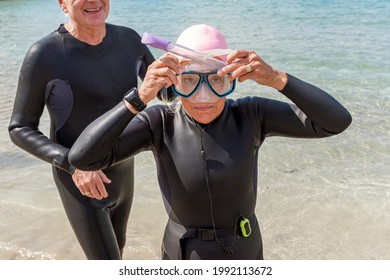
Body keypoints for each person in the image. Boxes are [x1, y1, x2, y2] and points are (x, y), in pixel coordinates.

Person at [68, 24, 352, 260]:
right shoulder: (159, 123)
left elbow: (336, 121)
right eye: (189, 82)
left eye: (217, 81)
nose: (204, 98)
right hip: (182, 252)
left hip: (245, 249)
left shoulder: (252, 115)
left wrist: (277, 78)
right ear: (173, 81)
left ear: (232, 76)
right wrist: (139, 97)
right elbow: (83, 157)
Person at [8, 0, 157, 259]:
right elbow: (20, 128)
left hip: (123, 171)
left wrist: (203, 69)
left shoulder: (129, 40)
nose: (93, 1)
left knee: (117, 255)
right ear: (63, 4)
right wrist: (72, 165)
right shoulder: (45, 54)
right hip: (79, 180)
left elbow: (165, 92)